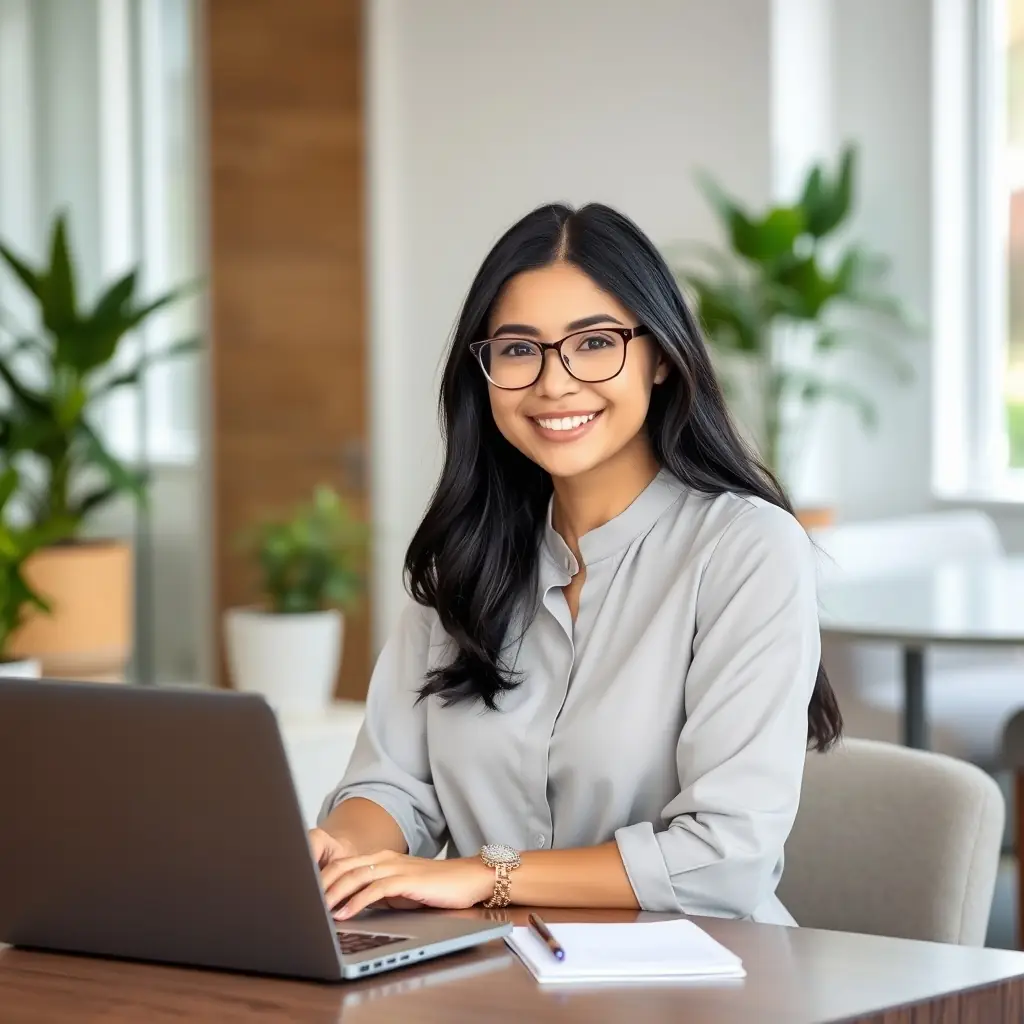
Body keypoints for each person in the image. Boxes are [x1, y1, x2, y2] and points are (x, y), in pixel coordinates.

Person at [310, 202, 842, 925]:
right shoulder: (468, 555)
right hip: (491, 979)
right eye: (519, 349)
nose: (553, 383)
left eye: (594, 343)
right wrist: (342, 855)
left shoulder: (746, 549)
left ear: (659, 356)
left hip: (702, 982)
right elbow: (394, 785)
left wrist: (486, 876)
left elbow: (726, 857)